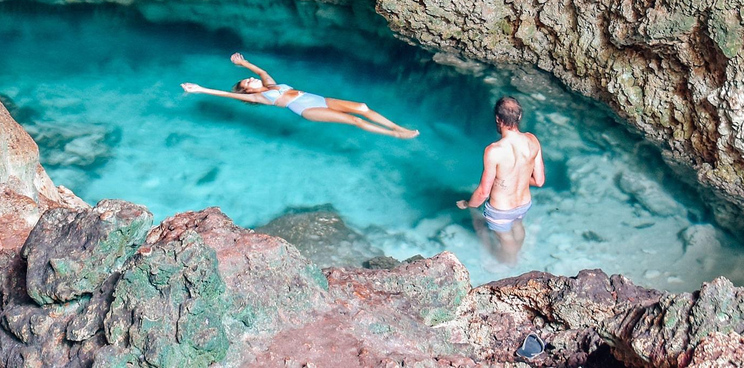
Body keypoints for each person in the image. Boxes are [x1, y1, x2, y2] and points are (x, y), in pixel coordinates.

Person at [181, 53, 419, 139]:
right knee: (355, 120)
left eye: (249, 79)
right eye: (248, 83)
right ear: (247, 92)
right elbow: (224, 94)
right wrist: (200, 88)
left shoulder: (267, 85)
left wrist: (244, 64)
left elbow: (262, 72)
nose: (252, 80)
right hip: (306, 109)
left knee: (362, 107)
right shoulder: (260, 98)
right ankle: (395, 134)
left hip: (317, 97)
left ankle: (397, 126)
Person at [456, 96, 545, 265]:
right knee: (518, 226)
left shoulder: (494, 151)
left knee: (505, 238)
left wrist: (468, 204)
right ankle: (515, 256)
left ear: (498, 118)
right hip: (524, 204)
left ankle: (509, 263)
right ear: (519, 117)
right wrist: (518, 178)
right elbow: (539, 181)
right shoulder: (532, 140)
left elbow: (483, 192)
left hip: (501, 210)